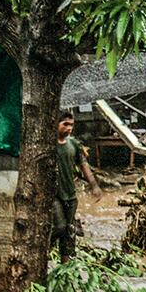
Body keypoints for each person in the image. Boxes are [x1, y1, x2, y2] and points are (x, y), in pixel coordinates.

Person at [54, 112, 102, 262]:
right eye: (65, 124)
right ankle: (47, 247)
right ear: (56, 124)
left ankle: (66, 268)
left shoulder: (74, 144)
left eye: (71, 125)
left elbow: (84, 165)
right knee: (60, 227)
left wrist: (94, 185)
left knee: (69, 231)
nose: (69, 128)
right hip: (54, 195)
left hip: (70, 194)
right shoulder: (47, 144)